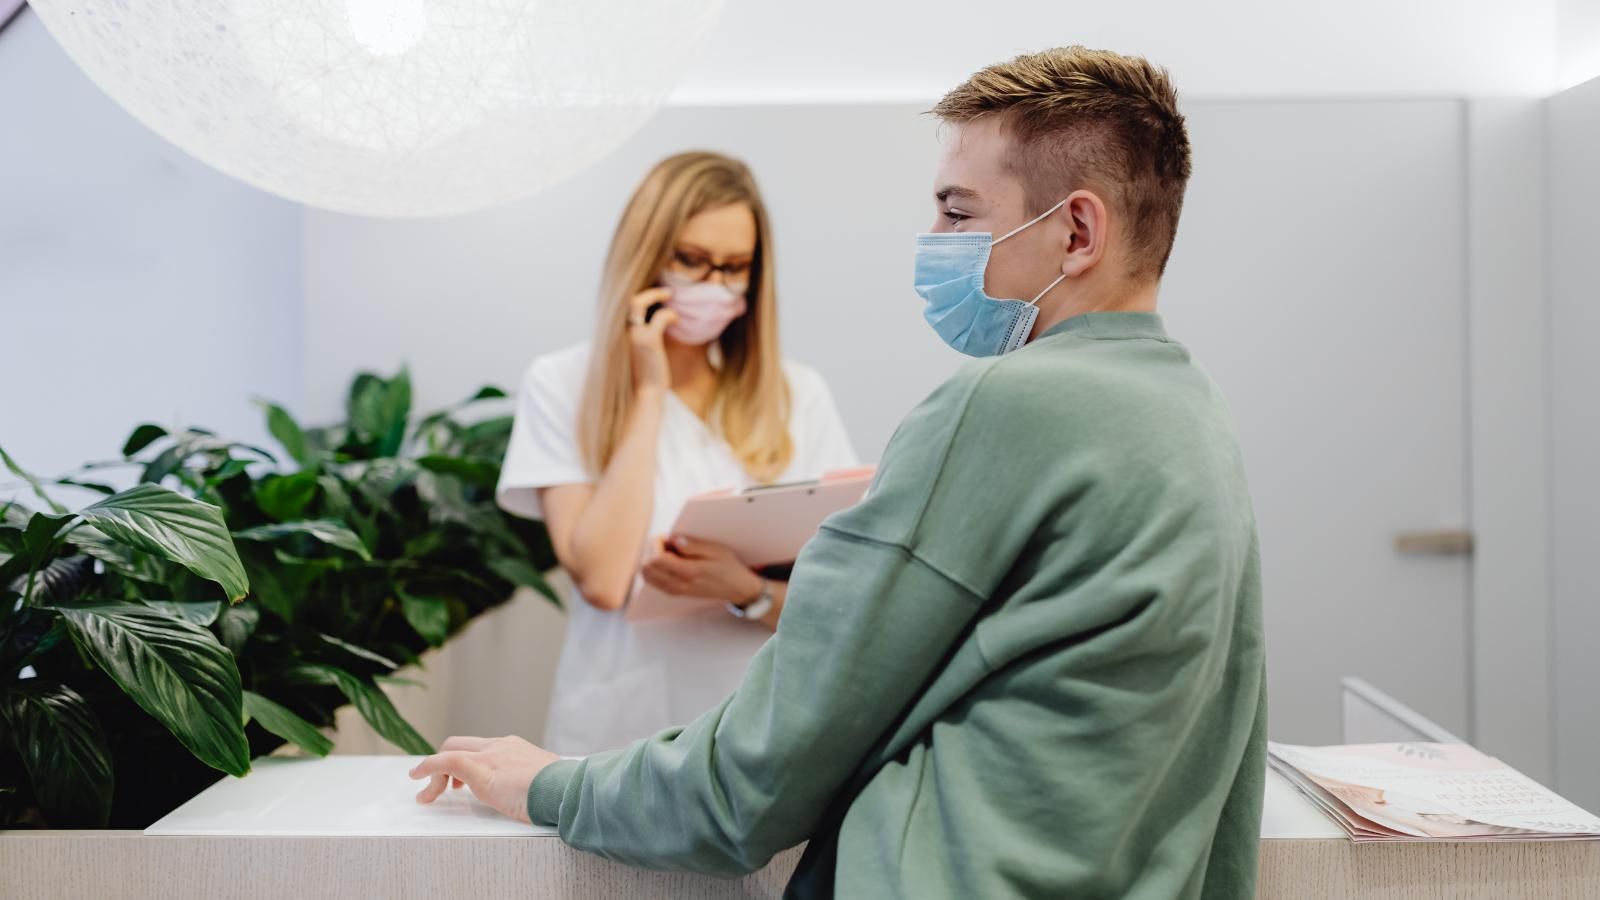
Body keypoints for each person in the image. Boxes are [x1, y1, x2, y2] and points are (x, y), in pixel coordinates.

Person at [416, 47, 1267, 899]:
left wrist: (547, 784)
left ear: (1077, 232)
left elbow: (760, 774)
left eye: (957, 213)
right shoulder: (1195, 415)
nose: (935, 243)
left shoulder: (996, 404)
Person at [494, 151, 858, 756]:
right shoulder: (561, 384)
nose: (713, 285)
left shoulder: (798, 394)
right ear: (646, 255)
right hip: (621, 731)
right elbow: (606, 580)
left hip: (760, 727)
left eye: (735, 267)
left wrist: (745, 589)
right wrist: (650, 391)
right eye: (690, 260)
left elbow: (841, 599)